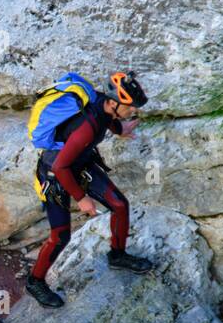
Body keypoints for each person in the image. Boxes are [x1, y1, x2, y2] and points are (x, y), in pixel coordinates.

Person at [26, 71, 154, 308]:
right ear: (114, 103)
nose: (133, 111)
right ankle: (35, 282)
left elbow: (108, 121)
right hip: (56, 174)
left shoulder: (101, 104)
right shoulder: (86, 127)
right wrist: (81, 198)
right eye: (130, 107)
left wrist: (120, 130)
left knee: (119, 204)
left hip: (80, 164)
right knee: (60, 235)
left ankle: (117, 255)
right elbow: (60, 166)